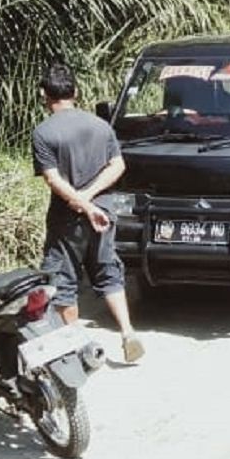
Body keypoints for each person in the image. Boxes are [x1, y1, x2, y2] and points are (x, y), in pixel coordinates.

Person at [32, 61, 144, 363]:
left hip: (67, 218)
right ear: (76, 92)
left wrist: (81, 201)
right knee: (108, 270)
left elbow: (53, 179)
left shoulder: (44, 132)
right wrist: (92, 198)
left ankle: (79, 347)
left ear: (44, 94)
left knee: (64, 279)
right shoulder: (100, 126)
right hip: (104, 211)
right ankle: (128, 333)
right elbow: (118, 166)